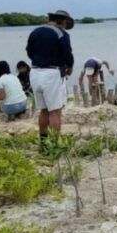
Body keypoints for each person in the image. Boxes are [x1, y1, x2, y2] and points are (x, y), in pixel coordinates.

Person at [26, 10, 75, 138]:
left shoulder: (35, 31)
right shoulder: (61, 33)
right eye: (65, 23)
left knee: (43, 110)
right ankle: (54, 144)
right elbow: (68, 54)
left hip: (35, 72)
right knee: (55, 111)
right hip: (52, 73)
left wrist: (40, 60)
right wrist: (69, 66)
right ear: (63, 21)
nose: (65, 27)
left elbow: (29, 51)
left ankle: (43, 143)